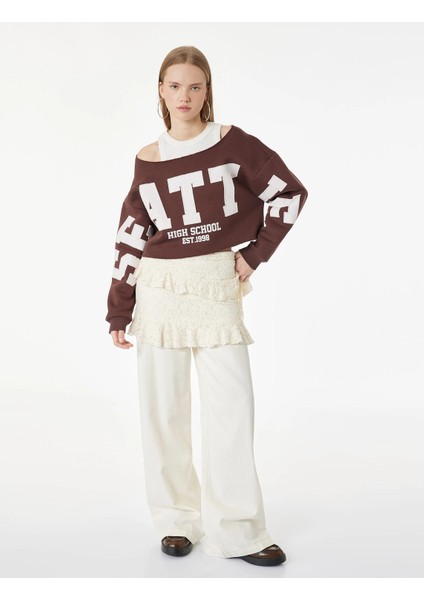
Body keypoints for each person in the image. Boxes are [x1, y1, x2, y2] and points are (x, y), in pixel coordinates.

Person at [105, 45, 308, 567]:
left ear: (206, 90)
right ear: (160, 91)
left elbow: (289, 193)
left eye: (194, 86)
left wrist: (254, 255)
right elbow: (131, 235)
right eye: (175, 86)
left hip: (215, 288)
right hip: (159, 290)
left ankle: (239, 531)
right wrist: (119, 308)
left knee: (232, 409)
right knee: (164, 413)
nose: (185, 96)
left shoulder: (231, 143)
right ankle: (176, 521)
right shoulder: (148, 159)